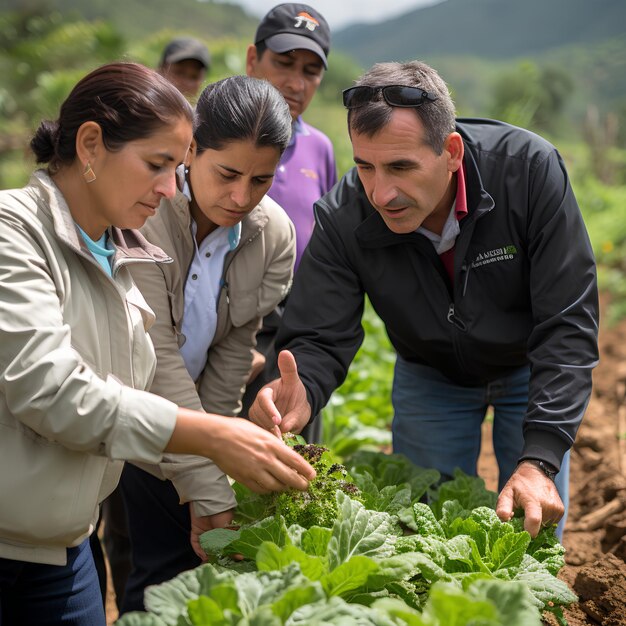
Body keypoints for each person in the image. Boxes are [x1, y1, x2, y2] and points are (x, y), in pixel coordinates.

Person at [0, 62, 314, 626]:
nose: (173, 188)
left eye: (176, 166)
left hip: (68, 541)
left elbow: (220, 358)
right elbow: (51, 390)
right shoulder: (16, 232)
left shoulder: (114, 245)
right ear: (90, 144)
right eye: (158, 165)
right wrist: (211, 440)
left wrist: (210, 454)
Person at [249, 60, 599, 540]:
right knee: (431, 534)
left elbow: (567, 323)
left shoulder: (528, 173)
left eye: (400, 167)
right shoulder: (345, 215)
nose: (380, 192)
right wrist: (303, 386)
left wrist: (540, 456)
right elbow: (318, 332)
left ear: (451, 151)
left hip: (528, 367)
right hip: (430, 373)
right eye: (365, 166)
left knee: (530, 528)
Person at [117, 75, 296, 612]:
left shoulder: (273, 235)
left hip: (192, 413)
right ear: (191, 148)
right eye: (227, 174)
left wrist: (210, 459)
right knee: (144, 564)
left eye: (261, 180)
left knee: (187, 567)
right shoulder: (141, 213)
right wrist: (210, 482)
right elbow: (155, 358)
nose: (242, 197)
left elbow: (233, 354)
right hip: (127, 409)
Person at [241, 3, 338, 442]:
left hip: (295, 332)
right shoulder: (209, 135)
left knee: (289, 459)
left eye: (310, 71)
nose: (296, 83)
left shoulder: (319, 148)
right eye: (283, 63)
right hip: (225, 327)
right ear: (251, 60)